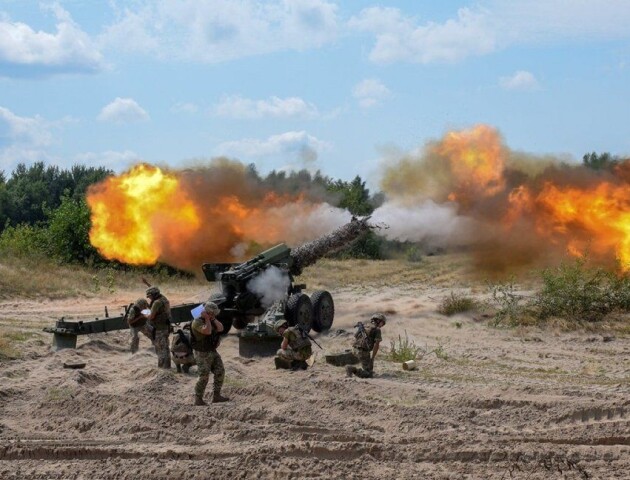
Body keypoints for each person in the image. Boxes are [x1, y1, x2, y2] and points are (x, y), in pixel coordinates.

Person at [190, 302, 229, 405]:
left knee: (220, 371)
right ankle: (198, 399)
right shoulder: (197, 322)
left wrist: (212, 319)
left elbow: (221, 328)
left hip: (212, 351)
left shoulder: (212, 319)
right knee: (204, 376)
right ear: (207, 312)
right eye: (212, 313)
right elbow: (207, 331)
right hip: (201, 353)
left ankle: (216, 395)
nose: (214, 315)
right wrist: (207, 319)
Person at [346, 313, 386, 378]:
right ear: (378, 321)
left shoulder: (365, 325)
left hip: (354, 349)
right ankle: (352, 369)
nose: (383, 325)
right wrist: (372, 358)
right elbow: (376, 344)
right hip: (363, 352)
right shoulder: (377, 329)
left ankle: (365, 369)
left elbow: (356, 337)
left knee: (369, 369)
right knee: (368, 375)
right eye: (383, 323)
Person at [146, 286, 172, 369]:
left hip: (159, 329)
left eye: (149, 296)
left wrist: (144, 313)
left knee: (160, 348)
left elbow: (151, 316)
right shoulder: (164, 299)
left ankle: (162, 368)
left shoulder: (157, 303)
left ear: (154, 294)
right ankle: (167, 366)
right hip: (166, 327)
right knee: (166, 348)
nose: (149, 298)